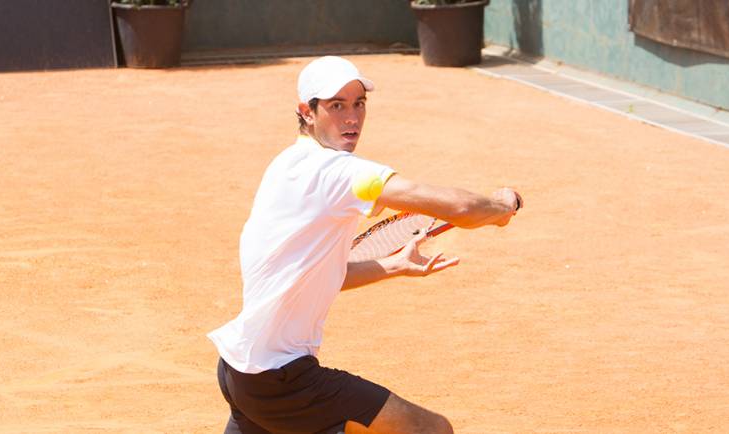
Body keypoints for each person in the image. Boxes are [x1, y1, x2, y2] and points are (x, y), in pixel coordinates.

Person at [208, 56, 522, 434]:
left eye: (359, 104)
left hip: (239, 372)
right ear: (306, 112)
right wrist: (502, 206)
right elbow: (461, 208)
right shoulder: (340, 173)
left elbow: (319, 275)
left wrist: (393, 266)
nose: (352, 118)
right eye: (336, 105)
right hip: (283, 380)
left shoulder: (286, 164)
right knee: (431, 430)